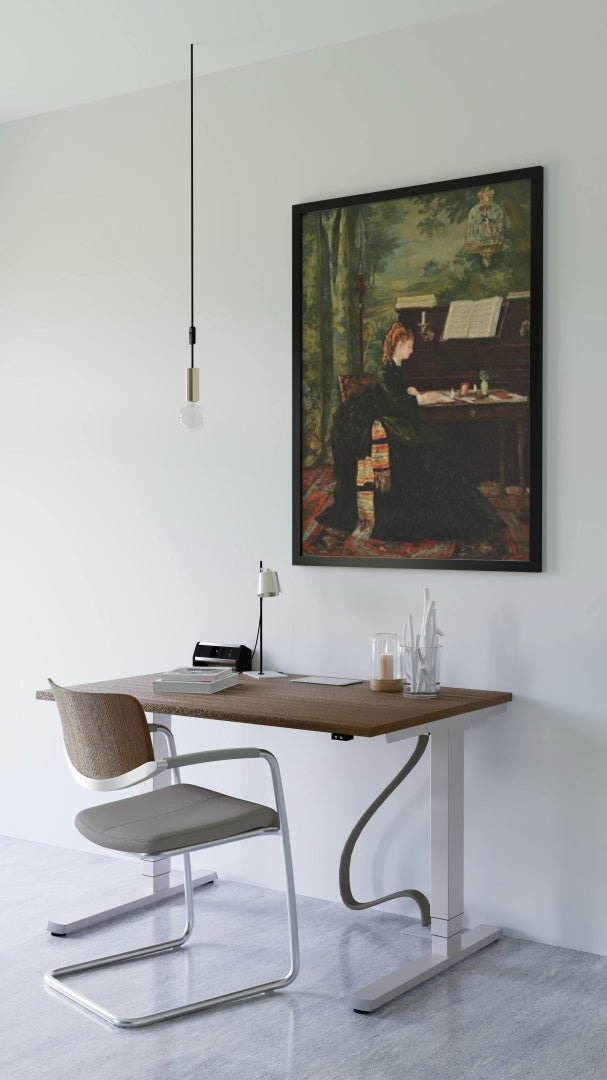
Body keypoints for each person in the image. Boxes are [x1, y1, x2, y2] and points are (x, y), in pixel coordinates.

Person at [316, 321, 501, 543]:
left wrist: (409, 390)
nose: (412, 351)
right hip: (386, 426)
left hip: (394, 420)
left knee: (440, 442)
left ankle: (457, 510)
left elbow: (396, 394)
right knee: (433, 446)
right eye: (410, 346)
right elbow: (397, 405)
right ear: (399, 344)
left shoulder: (394, 369)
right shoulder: (384, 371)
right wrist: (420, 398)